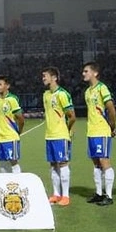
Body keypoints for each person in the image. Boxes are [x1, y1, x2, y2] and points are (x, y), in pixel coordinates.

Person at [82, 61, 116, 206]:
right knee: (96, 163)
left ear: (95, 73)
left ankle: (108, 196)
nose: (83, 74)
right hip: (91, 131)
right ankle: (98, 193)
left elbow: (111, 109)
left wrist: (112, 126)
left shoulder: (102, 88)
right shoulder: (88, 91)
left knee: (104, 161)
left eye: (86, 71)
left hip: (102, 130)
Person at [41, 67, 75, 205]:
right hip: (49, 135)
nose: (43, 78)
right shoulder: (46, 95)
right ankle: (56, 194)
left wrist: (66, 131)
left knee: (63, 163)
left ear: (54, 77)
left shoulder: (62, 94)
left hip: (60, 135)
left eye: (45, 76)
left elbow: (72, 116)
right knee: (53, 164)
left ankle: (65, 196)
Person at [0, 75, 25, 174]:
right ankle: (6, 187)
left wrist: (18, 132)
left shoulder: (12, 99)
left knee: (13, 162)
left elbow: (20, 118)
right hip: (0, 137)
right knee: (3, 165)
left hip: (10, 137)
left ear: (7, 86)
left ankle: (18, 185)